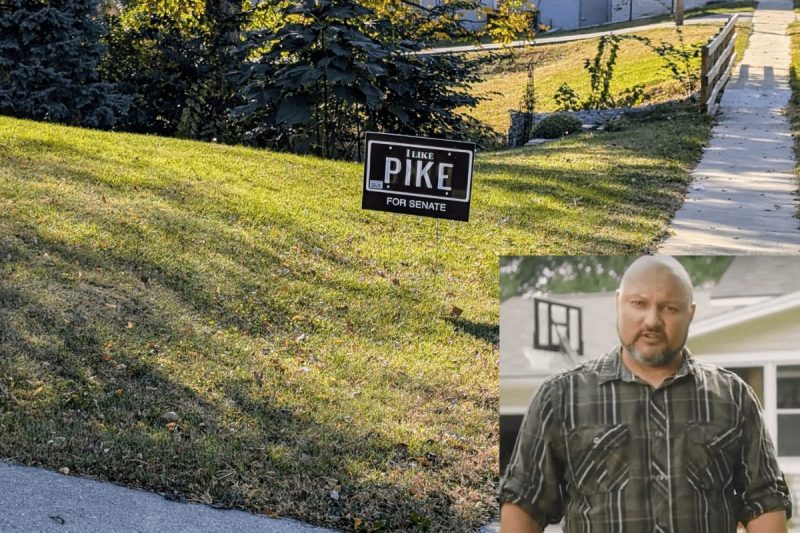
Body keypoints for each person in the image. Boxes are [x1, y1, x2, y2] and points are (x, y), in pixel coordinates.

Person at [499, 256, 792, 533]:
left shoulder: (733, 397)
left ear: (690, 314)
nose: (652, 320)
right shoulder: (560, 398)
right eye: (639, 303)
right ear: (618, 303)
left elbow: (764, 501)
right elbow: (524, 501)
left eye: (669, 308)